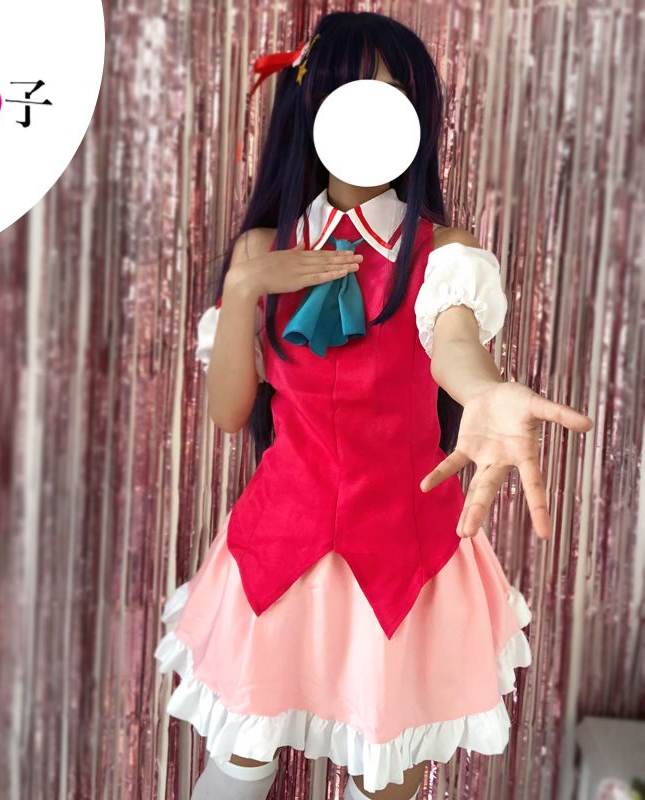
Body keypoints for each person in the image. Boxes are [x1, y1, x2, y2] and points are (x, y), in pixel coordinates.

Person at [154, 11, 594, 800]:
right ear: (311, 105)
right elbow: (229, 414)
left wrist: (485, 390)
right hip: (277, 551)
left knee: (386, 779)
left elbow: (454, 343)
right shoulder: (264, 249)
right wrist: (245, 286)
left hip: (406, 558)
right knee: (241, 762)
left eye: (394, 98)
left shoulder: (445, 254)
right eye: (354, 93)